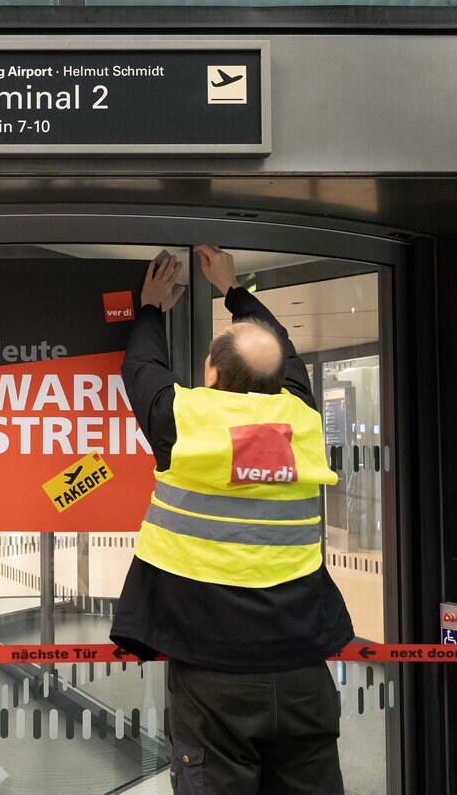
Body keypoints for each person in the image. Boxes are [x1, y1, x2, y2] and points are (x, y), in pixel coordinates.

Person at [111, 244, 354, 794]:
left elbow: (141, 367)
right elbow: (283, 352)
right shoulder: (303, 420)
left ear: (212, 374)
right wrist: (234, 288)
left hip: (214, 675)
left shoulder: (186, 420)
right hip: (302, 669)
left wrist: (151, 307)